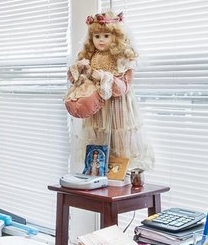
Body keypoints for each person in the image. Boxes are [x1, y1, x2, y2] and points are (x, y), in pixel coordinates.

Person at [64, 12, 153, 172]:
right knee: (99, 138)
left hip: (117, 108)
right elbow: (78, 81)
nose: (101, 40)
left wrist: (103, 77)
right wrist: (80, 69)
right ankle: (99, 170)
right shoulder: (91, 56)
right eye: (97, 36)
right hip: (98, 109)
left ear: (115, 36)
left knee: (119, 142)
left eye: (106, 35)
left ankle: (119, 173)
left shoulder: (121, 58)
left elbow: (122, 88)